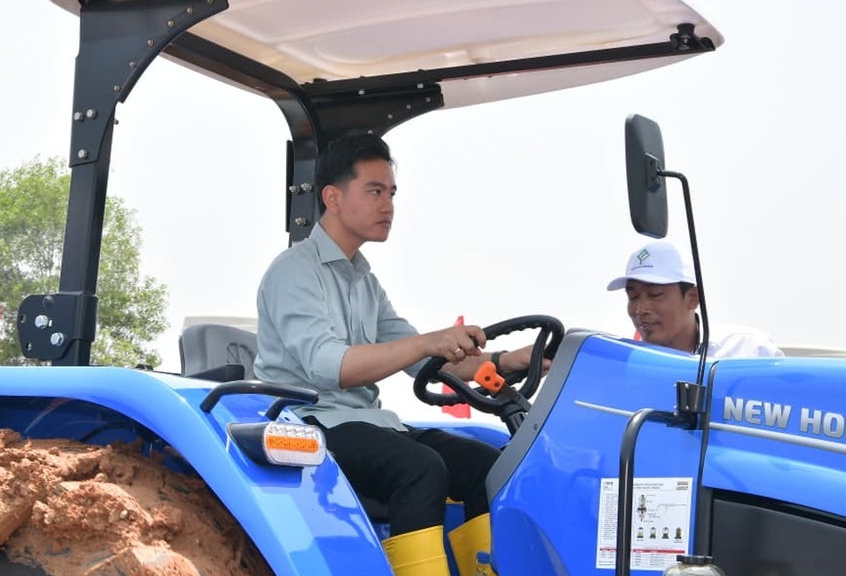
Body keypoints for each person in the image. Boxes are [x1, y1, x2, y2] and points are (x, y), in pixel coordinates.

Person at [253, 133, 547, 576]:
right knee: (420, 468)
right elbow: (333, 366)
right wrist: (428, 341)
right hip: (308, 425)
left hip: (368, 424)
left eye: (391, 193)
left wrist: (508, 360)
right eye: (374, 191)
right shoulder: (294, 271)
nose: (388, 205)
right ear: (332, 197)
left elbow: (425, 360)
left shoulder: (363, 281)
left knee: (489, 466)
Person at [606, 239, 783, 358]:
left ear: (692, 298)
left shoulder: (748, 350)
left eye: (655, 295)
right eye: (633, 296)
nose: (640, 309)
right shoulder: (623, 359)